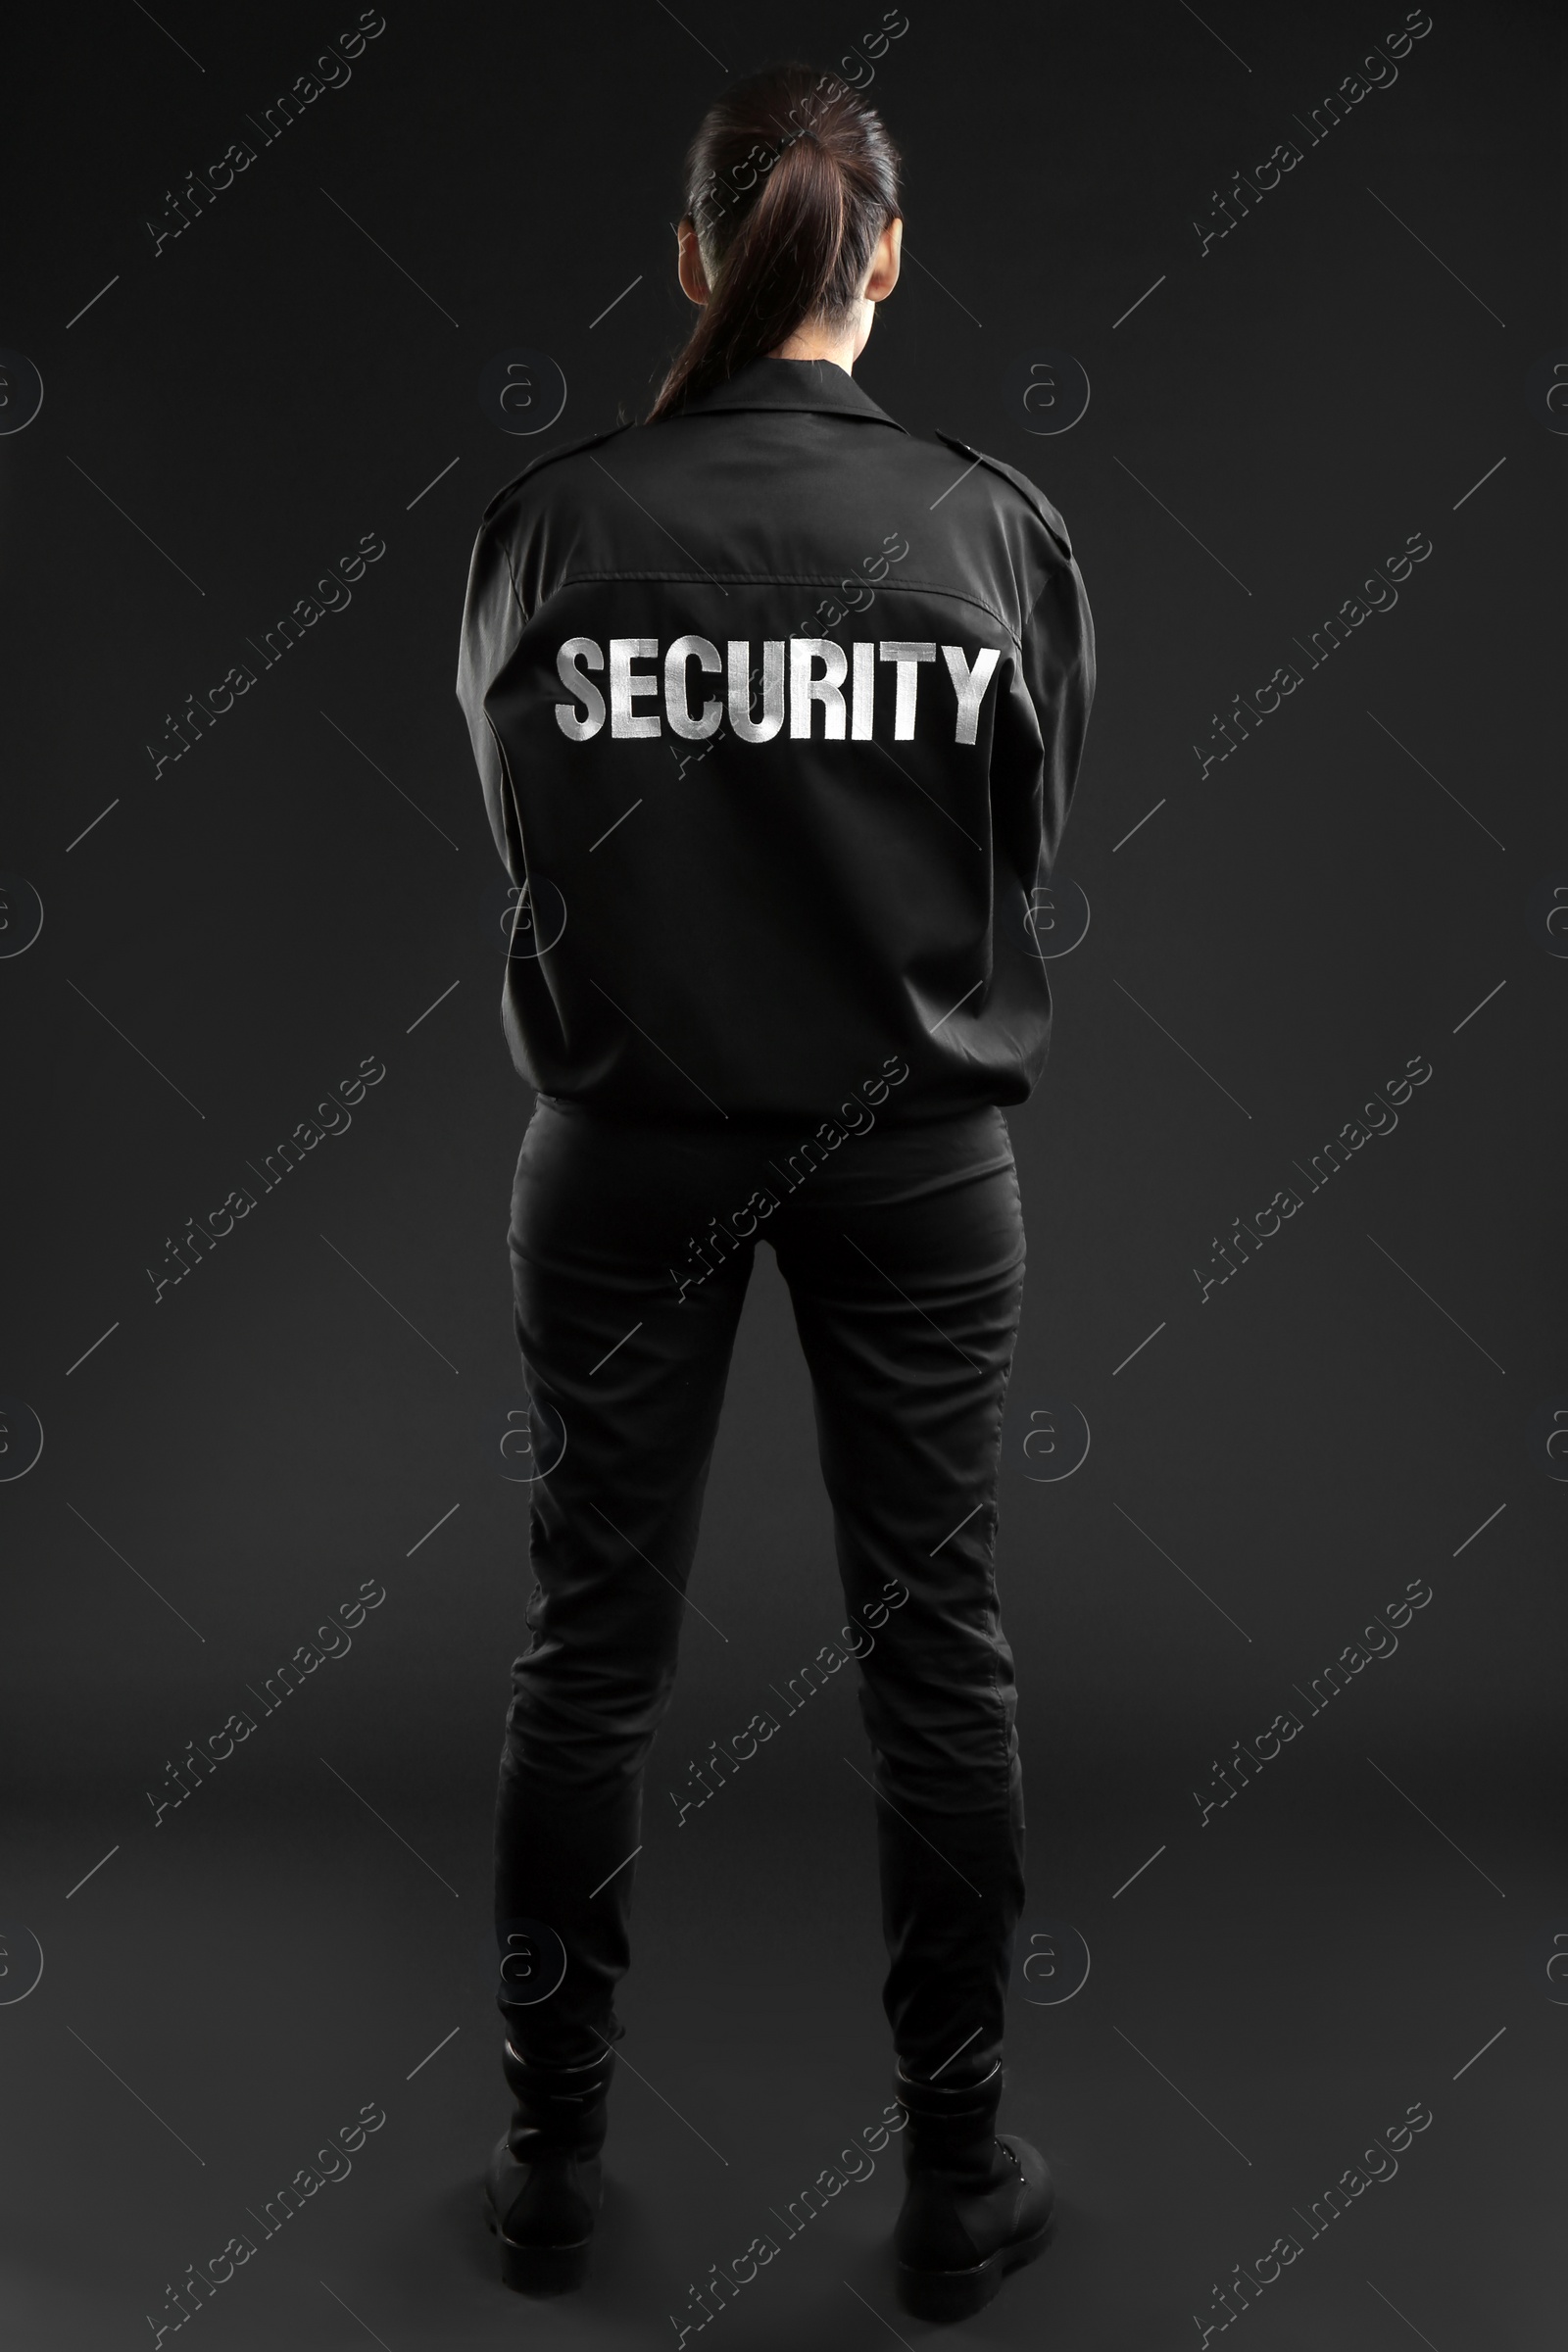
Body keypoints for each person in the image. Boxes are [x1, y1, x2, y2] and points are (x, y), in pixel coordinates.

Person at [455, 59, 1095, 2324]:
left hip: (617, 1148)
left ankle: (546, 2166)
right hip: (914, 1157)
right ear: (887, 257)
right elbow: (1022, 840)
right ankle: (954, 2180)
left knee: (581, 1657)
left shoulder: (548, 528)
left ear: (698, 262)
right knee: (940, 1657)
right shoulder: (988, 530)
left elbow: (520, 835)